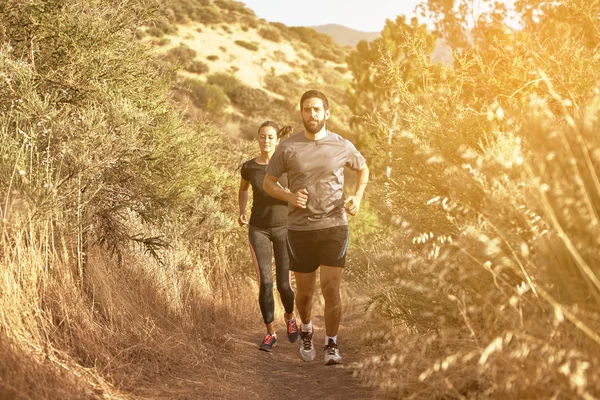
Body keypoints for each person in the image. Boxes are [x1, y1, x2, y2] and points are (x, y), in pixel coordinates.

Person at [263, 90, 369, 365]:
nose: (312, 114)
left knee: (331, 288)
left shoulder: (341, 145)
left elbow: (363, 168)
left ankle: (331, 345)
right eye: (307, 109)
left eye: (317, 109)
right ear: (302, 113)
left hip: (334, 225)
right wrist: (288, 197)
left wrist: (357, 198)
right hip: (300, 229)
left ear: (326, 113)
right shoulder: (288, 147)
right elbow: (268, 182)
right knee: (306, 293)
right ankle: (307, 330)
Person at [238, 121, 299, 352]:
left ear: (277, 139)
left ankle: (290, 317)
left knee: (284, 285)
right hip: (258, 229)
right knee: (265, 282)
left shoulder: (286, 167)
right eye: (262, 136)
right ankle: (270, 332)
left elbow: (297, 193)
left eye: (270, 137)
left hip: (284, 228)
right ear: (258, 138)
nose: (266, 141)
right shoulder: (249, 167)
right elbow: (243, 189)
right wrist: (242, 211)